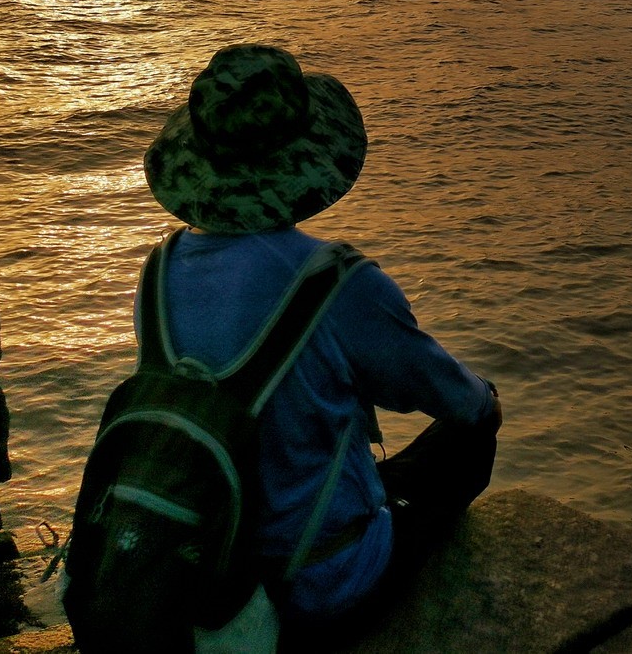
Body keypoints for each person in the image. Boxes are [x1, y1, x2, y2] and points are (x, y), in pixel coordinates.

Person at [141, 43, 501, 642]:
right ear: (304, 158)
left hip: (213, 573)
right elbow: (460, 402)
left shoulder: (159, 271)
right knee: (472, 430)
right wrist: (485, 398)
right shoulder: (336, 284)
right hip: (318, 585)